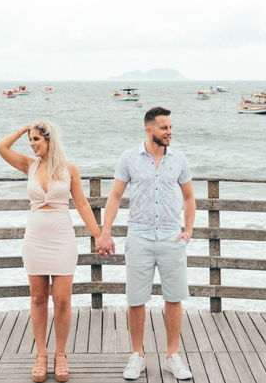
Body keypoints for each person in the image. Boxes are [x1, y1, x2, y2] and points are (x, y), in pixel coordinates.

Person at [0, 120, 104, 383]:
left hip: (62, 238)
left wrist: (99, 236)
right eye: (30, 140)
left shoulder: (69, 169)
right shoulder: (28, 165)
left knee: (63, 300)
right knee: (37, 298)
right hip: (34, 239)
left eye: (36, 139)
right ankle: (41, 354)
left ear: (49, 140)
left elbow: (81, 204)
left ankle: (61, 354)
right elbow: (0, 146)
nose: (32, 144)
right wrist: (23, 128)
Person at [96, 107, 196, 380]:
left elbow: (189, 197)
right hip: (138, 236)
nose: (170, 132)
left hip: (170, 237)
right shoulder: (129, 158)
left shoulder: (179, 160)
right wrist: (105, 233)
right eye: (165, 128)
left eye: (171, 127)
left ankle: (172, 357)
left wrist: (187, 231)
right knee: (136, 298)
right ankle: (137, 355)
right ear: (149, 130)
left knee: (174, 298)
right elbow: (115, 197)